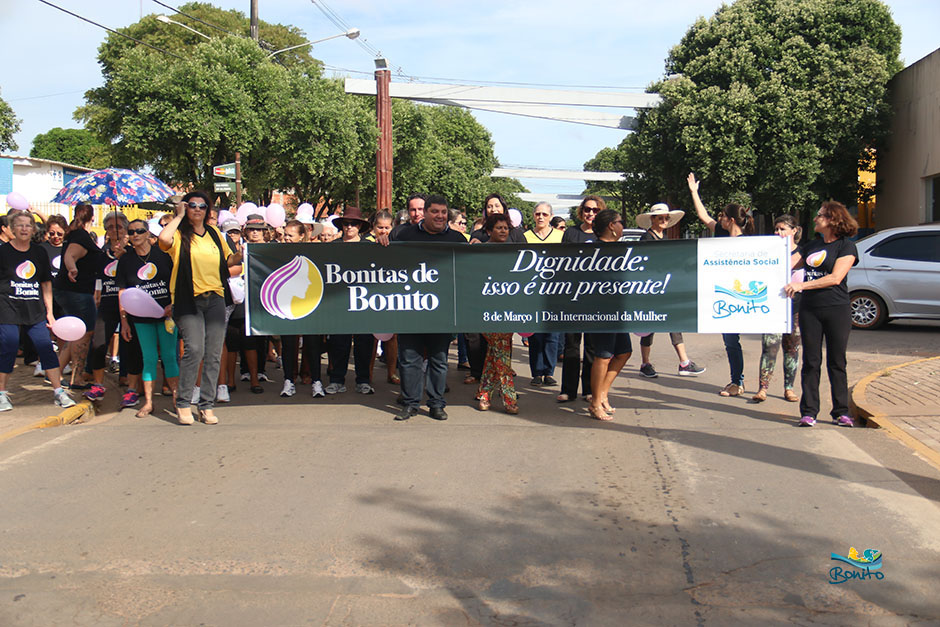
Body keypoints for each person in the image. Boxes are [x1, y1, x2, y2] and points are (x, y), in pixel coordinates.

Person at [376, 194, 467, 421]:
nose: (440, 216)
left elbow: (468, 271)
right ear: (425, 213)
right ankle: (410, 404)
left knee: (439, 359)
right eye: (435, 211)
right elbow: (385, 262)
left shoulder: (457, 239)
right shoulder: (402, 234)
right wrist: (380, 243)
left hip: (442, 311)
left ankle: (436, 404)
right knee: (409, 359)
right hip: (410, 308)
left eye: (444, 212)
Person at [159, 191, 242, 426]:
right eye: (192, 205)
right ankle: (184, 402)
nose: (197, 209)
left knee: (214, 353)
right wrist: (179, 215)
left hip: (215, 297)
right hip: (187, 299)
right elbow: (163, 241)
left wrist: (239, 255)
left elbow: (228, 262)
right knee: (194, 349)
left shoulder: (215, 233)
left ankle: (206, 405)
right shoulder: (179, 233)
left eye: (202, 206)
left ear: (208, 210)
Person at [785, 202, 859, 427]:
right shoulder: (811, 245)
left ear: (833, 220)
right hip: (810, 310)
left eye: (820, 216)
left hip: (837, 309)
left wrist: (802, 286)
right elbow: (786, 265)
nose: (815, 219)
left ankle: (840, 412)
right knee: (811, 361)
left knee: (837, 361)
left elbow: (835, 278)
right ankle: (809, 412)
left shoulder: (846, 247)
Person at [0, 211, 76, 411]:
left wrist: (50, 313)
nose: (24, 229)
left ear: (33, 229)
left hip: (35, 310)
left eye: (28, 225)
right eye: (20, 225)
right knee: (9, 346)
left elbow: (46, 285)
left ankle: (59, 391)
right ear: (12, 229)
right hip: (8, 309)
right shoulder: (3, 252)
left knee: (46, 348)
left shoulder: (39, 252)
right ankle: (1, 394)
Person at [688, 172, 754, 396]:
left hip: (741, 296)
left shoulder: (749, 244)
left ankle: (741, 382)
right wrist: (694, 192)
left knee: (734, 341)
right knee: (730, 341)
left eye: (723, 216)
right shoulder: (719, 233)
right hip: (723, 296)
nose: (720, 219)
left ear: (731, 220)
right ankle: (737, 382)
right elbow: (702, 215)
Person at [634, 204, 706, 379]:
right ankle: (645, 363)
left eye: (666, 218)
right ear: (652, 219)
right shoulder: (646, 239)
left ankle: (684, 362)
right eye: (660, 218)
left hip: (666, 288)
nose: (664, 221)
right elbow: (645, 265)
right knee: (649, 326)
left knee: (673, 323)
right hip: (651, 289)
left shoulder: (664, 237)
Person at [116, 219, 177, 418]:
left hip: (166, 315)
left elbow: (176, 282)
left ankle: (178, 399)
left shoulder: (163, 254)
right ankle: (149, 402)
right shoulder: (126, 260)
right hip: (141, 317)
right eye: (131, 232)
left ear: (147, 232)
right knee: (149, 358)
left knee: (169, 357)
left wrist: (173, 305)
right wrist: (124, 320)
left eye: (139, 231)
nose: (135, 235)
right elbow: (122, 291)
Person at [585, 209, 633, 420]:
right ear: (612, 226)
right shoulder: (594, 250)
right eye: (621, 222)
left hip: (618, 309)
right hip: (600, 309)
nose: (623, 226)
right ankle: (595, 403)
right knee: (603, 356)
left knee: (624, 352)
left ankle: (602, 393)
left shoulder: (622, 248)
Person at [557, 196, 604, 403]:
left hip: (596, 299)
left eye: (595, 210)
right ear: (581, 211)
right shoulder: (571, 233)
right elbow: (561, 263)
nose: (590, 213)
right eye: (587, 209)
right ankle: (568, 389)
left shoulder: (603, 234)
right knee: (571, 345)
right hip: (573, 298)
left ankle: (589, 389)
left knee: (593, 347)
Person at [86, 212, 136, 406]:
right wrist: (96, 293)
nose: (115, 231)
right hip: (107, 302)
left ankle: (129, 382)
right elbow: (99, 277)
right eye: (110, 227)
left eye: (119, 227)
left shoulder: (132, 253)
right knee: (99, 342)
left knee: (130, 344)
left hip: (129, 303)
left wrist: (125, 255)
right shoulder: (101, 254)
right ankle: (98, 384)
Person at [326, 207, 376, 395]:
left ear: (360, 227)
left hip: (365, 302)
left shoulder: (370, 247)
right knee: (339, 343)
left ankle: (363, 380)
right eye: (346, 224)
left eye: (353, 224)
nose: (349, 227)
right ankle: (336, 379)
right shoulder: (333, 246)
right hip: (340, 302)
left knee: (364, 343)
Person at [753, 215, 802, 403]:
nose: (778, 232)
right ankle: (762, 388)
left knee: (792, 349)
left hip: (795, 309)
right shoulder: (768, 252)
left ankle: (789, 388)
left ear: (794, 231)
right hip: (772, 308)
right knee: (769, 348)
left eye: (782, 229)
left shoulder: (803, 253)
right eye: (776, 229)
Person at [279, 219, 327, 398]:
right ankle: (288, 381)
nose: (286, 238)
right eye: (285, 235)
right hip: (287, 306)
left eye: (290, 235)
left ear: (301, 236)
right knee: (289, 344)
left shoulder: (312, 253)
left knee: (312, 344)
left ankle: (316, 381)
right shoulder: (277, 252)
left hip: (309, 305)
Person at [477, 213, 519, 414]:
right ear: (489, 231)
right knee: (501, 351)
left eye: (506, 228)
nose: (503, 231)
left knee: (495, 352)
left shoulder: (515, 252)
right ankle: (509, 398)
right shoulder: (480, 251)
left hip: (509, 308)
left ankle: (484, 395)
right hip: (486, 308)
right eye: (499, 228)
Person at [55, 203, 100, 389]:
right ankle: (77, 377)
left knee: (74, 335)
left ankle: (55, 374)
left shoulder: (73, 233)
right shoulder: (81, 236)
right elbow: (70, 255)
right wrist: (72, 268)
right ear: (93, 218)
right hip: (78, 292)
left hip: (69, 291)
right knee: (84, 334)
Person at [523, 202, 562, 386]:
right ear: (533, 216)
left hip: (555, 293)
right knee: (535, 335)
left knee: (552, 336)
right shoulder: (526, 237)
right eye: (538, 214)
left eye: (545, 214)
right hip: (532, 293)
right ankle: (537, 372)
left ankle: (549, 371)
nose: (541, 217)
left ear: (550, 216)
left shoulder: (561, 237)